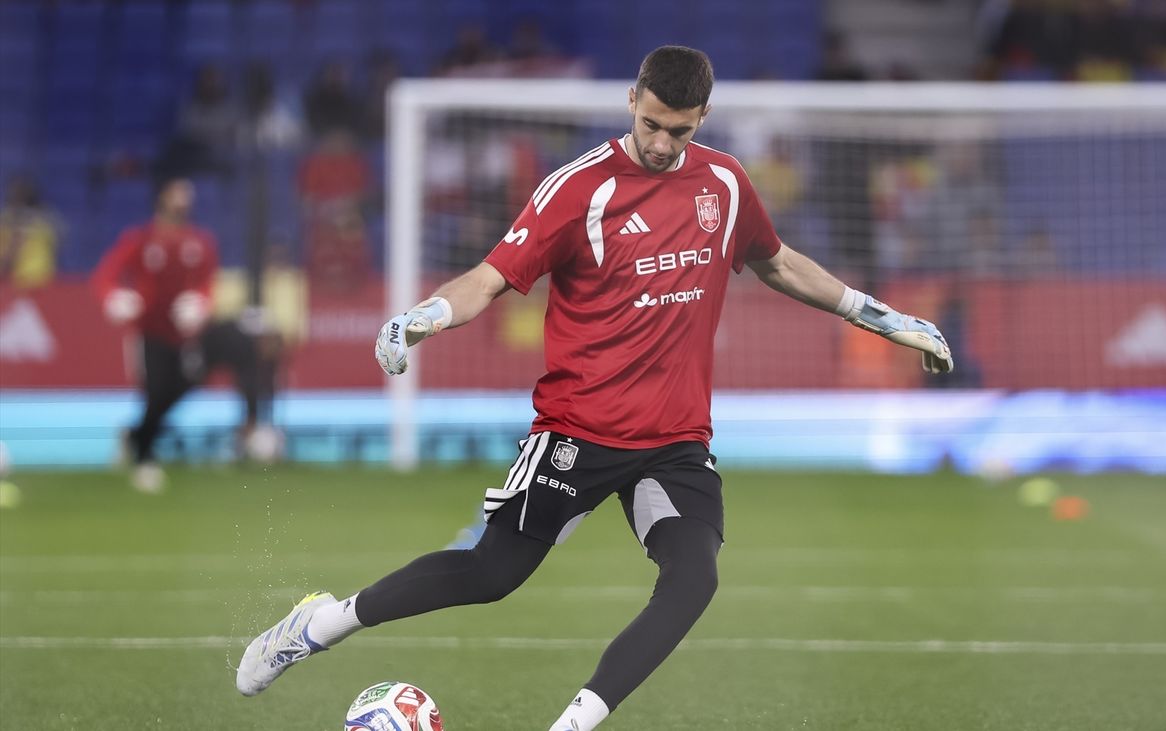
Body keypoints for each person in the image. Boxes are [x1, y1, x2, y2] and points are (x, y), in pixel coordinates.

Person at [236, 46, 953, 729]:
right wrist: (422, 317)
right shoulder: (579, 189)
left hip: (674, 439)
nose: (664, 142)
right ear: (632, 100)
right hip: (578, 429)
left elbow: (779, 263)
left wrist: (881, 317)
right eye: (651, 124)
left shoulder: (725, 184)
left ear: (701, 116)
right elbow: (489, 278)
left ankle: (575, 720)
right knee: (493, 574)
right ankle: (322, 622)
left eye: (679, 129)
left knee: (693, 577)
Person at [92, 177, 277, 492]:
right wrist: (114, 298)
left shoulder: (199, 242)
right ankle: (144, 457)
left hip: (187, 336)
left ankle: (249, 426)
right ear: (162, 198)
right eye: (177, 194)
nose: (183, 201)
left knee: (205, 367)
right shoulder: (140, 239)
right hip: (150, 332)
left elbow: (207, 282)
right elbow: (106, 275)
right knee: (156, 393)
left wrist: (200, 304)